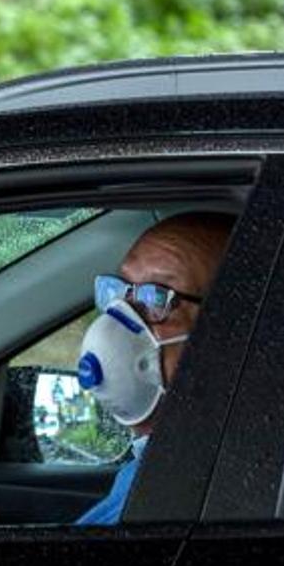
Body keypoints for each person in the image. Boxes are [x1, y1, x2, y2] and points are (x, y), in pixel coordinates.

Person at [74, 212, 234, 525]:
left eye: (157, 298)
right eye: (119, 291)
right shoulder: (158, 471)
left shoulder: (181, 498)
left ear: (227, 334)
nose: (119, 320)